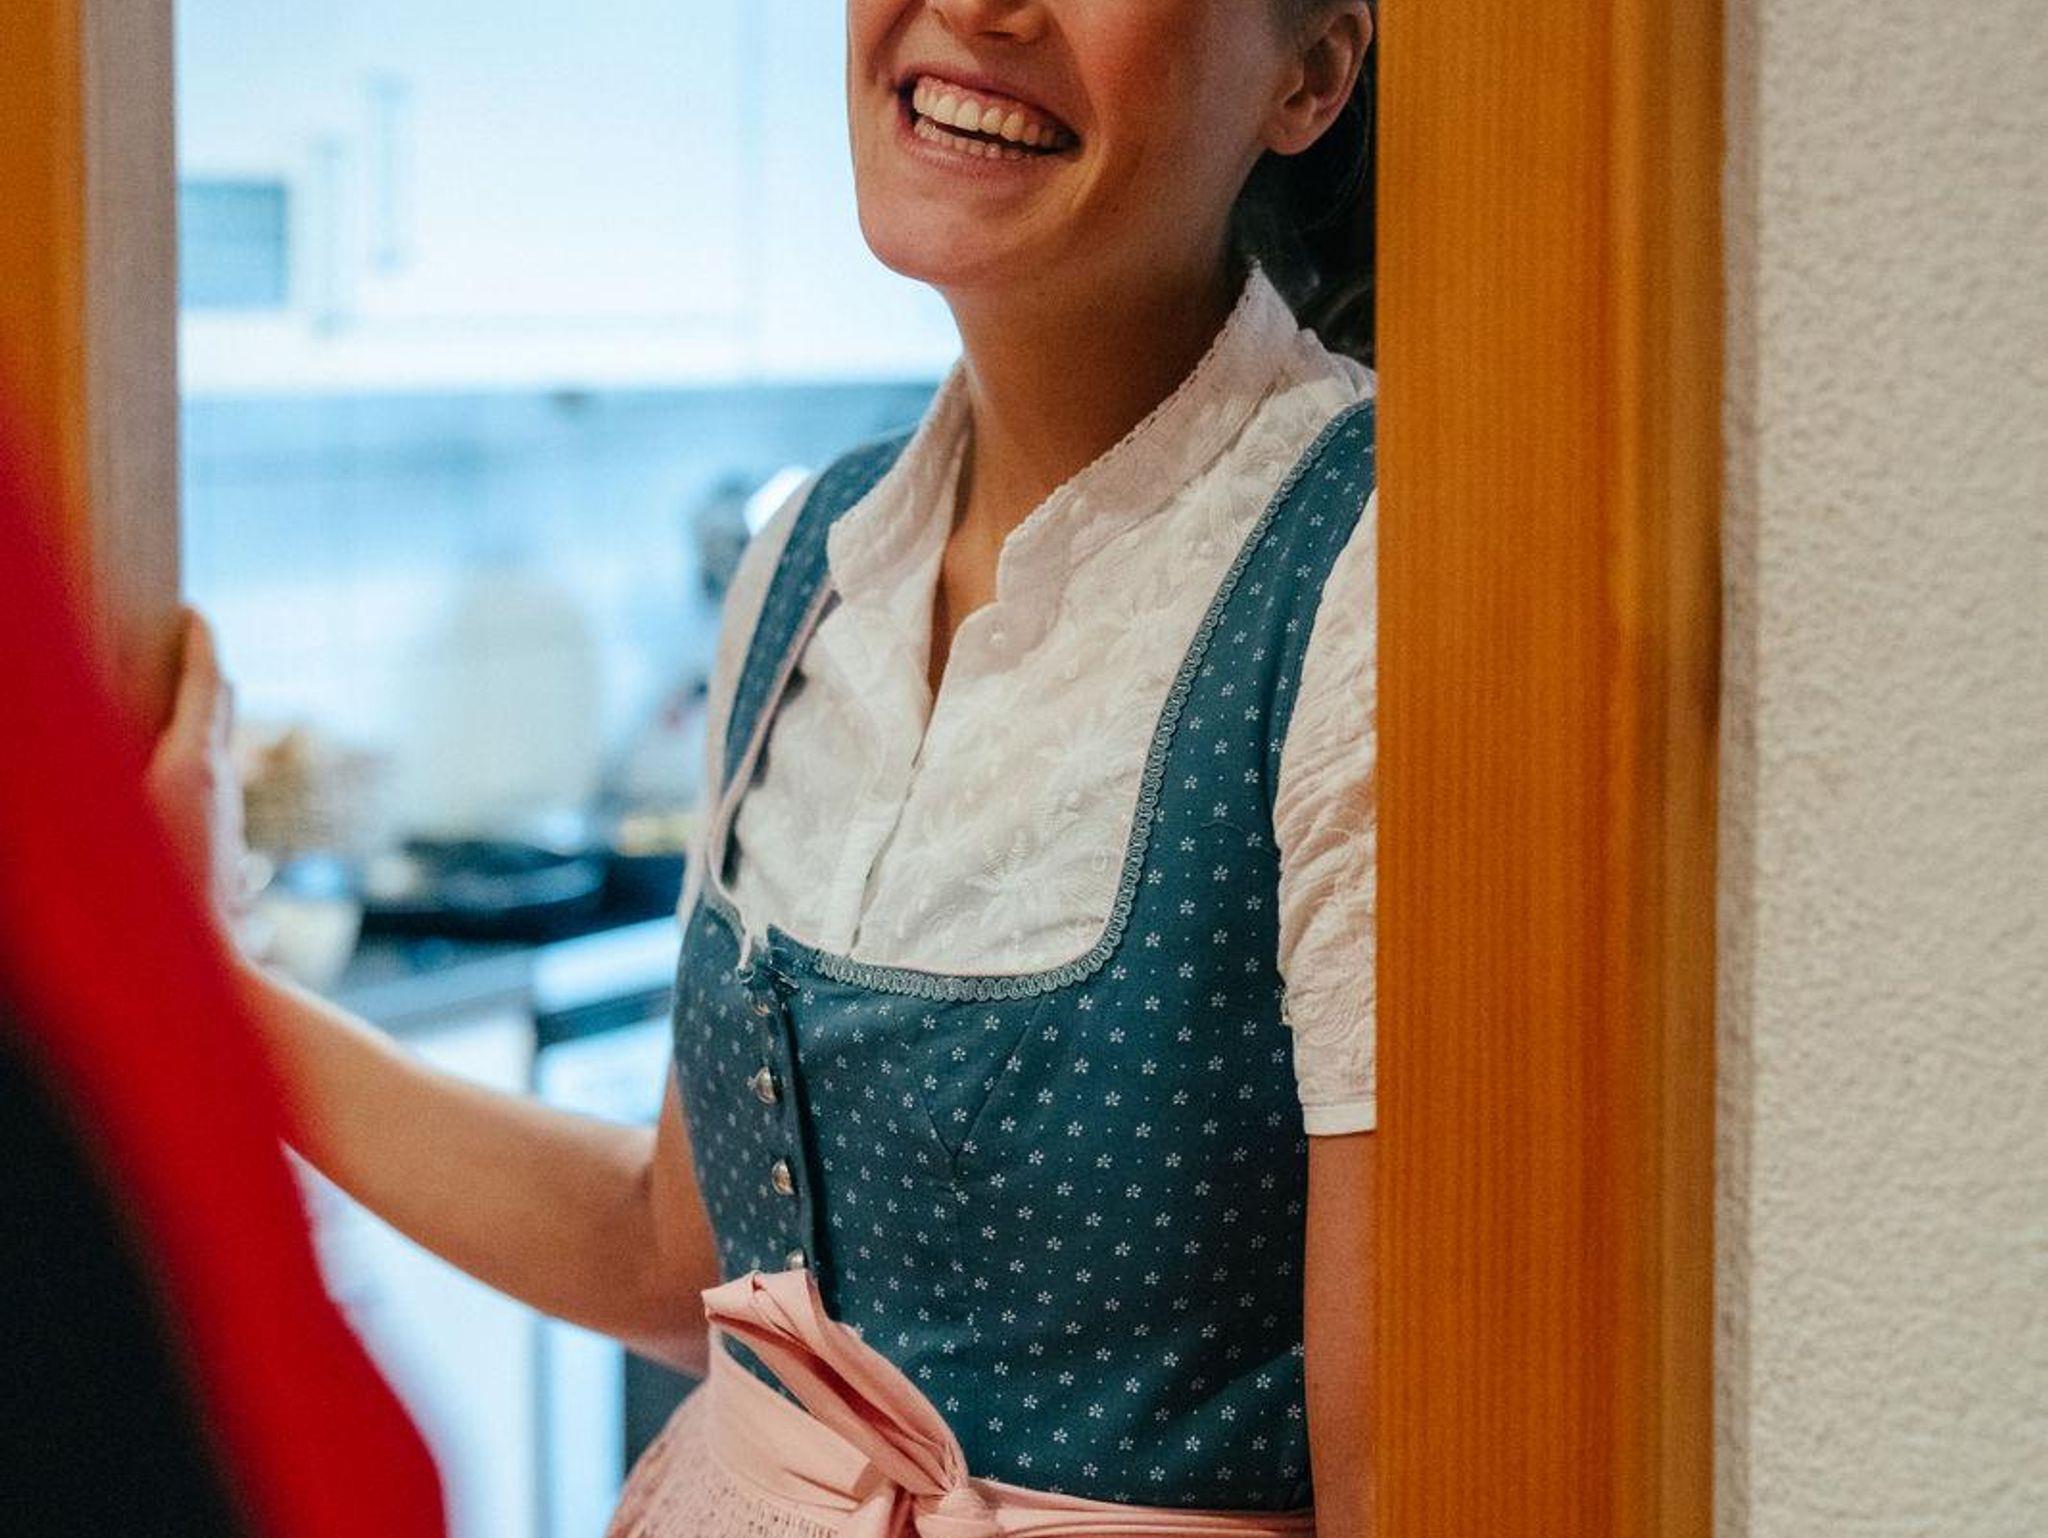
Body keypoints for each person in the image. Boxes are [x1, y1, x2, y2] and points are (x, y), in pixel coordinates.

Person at [151, 2, 1381, 1533]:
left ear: (1310, 74)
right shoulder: (810, 562)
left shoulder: (1362, 574)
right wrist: (192, 978)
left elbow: (1404, 1469)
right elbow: (670, 1250)